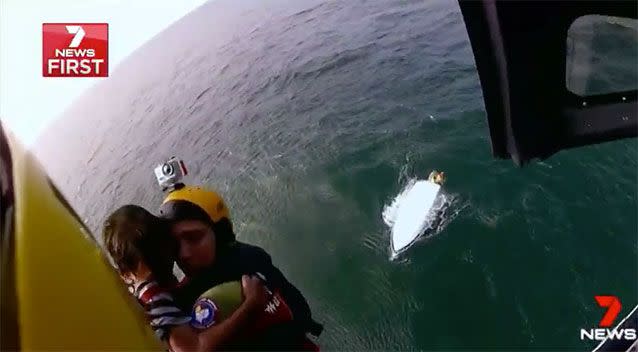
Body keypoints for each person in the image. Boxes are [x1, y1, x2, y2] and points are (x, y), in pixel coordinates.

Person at [159, 185, 323, 351]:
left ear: (220, 234)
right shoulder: (176, 300)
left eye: (194, 238)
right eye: (173, 243)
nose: (183, 254)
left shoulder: (249, 263)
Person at [102, 204, 270, 352]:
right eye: (154, 266)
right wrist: (250, 305)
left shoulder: (145, 285)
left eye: (164, 252)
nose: (177, 257)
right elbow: (195, 349)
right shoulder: (155, 299)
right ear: (126, 275)